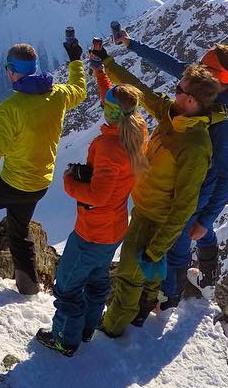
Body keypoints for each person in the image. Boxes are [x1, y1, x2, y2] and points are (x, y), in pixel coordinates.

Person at [0, 37, 87, 295]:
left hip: (15, 183)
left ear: (11, 71)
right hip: (40, 184)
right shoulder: (58, 95)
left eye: (6, 69)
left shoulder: (11, 108)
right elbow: (79, 89)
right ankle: (28, 287)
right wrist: (76, 61)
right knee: (18, 231)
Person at [114, 32, 228, 306]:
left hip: (197, 189)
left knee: (180, 243)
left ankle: (169, 297)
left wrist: (207, 217)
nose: (194, 64)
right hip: (185, 179)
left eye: (202, 62)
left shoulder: (227, 124)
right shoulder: (204, 85)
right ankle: (208, 270)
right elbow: (169, 63)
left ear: (216, 75)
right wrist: (132, 44)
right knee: (193, 232)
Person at [97, 54, 221, 337]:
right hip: (143, 205)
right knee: (145, 274)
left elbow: (186, 204)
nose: (173, 91)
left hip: (155, 218)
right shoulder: (172, 114)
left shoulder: (195, 145)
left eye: (179, 89)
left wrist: (157, 247)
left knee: (130, 273)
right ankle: (141, 312)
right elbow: (142, 91)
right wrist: (108, 64)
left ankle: (111, 329)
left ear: (191, 100)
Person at [35, 51, 148, 356]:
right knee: (97, 282)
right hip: (113, 231)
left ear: (110, 113)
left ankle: (65, 339)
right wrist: (100, 75)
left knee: (68, 286)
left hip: (91, 231)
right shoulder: (136, 130)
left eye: (104, 107)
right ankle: (86, 329)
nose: (101, 107)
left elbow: (97, 196)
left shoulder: (110, 148)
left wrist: (71, 182)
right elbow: (115, 101)